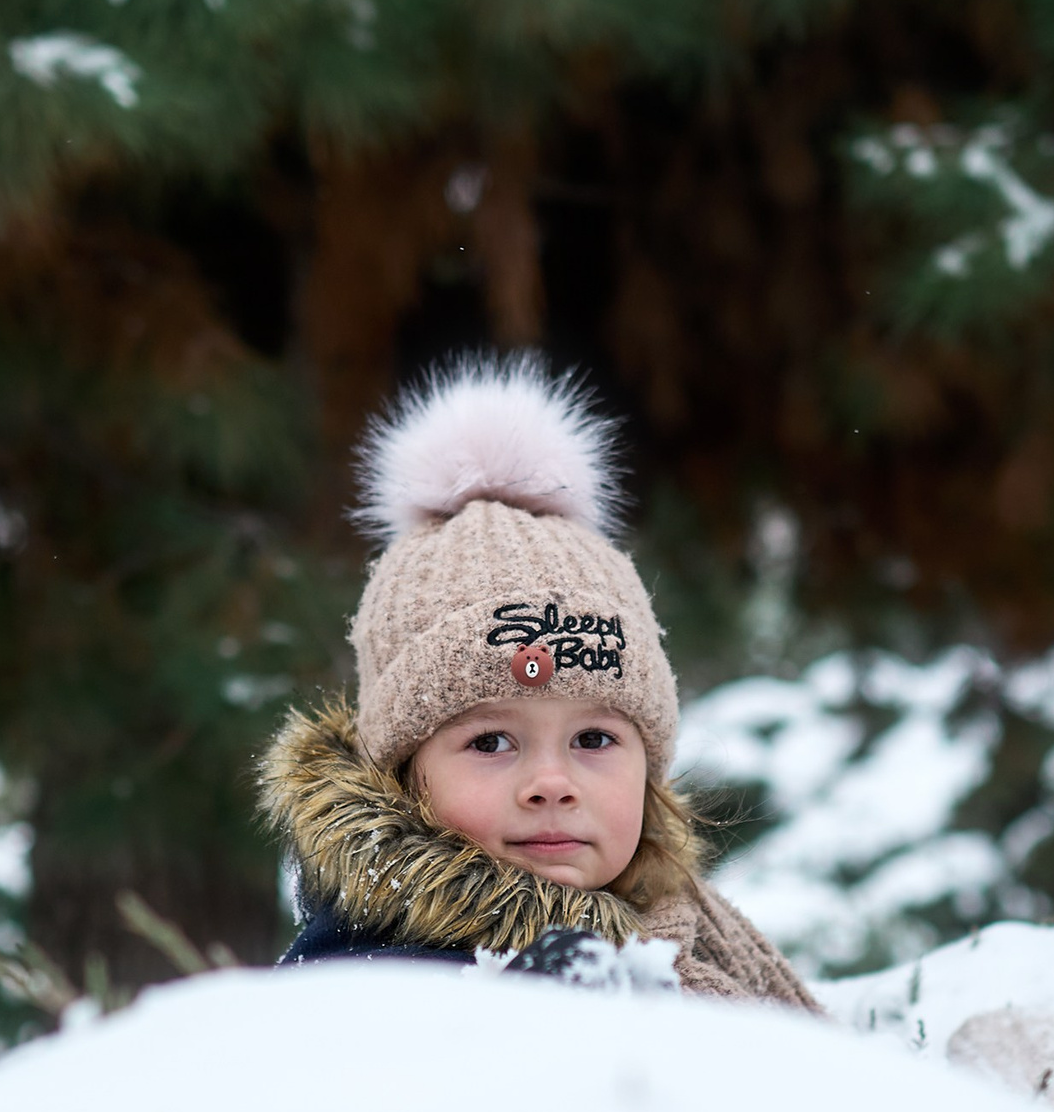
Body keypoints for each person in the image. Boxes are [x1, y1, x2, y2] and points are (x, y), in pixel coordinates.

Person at [262, 357, 821, 1013]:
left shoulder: (678, 926)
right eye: (492, 741)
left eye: (593, 736)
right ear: (402, 773)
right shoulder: (379, 977)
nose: (551, 782)